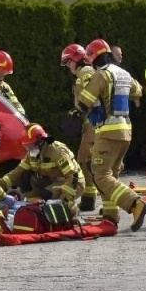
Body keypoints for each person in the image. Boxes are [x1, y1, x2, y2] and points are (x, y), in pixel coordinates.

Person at [74, 39, 146, 231]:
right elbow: (138, 90)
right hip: (125, 130)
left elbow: (84, 103)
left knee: (100, 174)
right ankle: (110, 215)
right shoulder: (123, 73)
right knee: (111, 174)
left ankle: (135, 204)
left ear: (93, 57)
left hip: (108, 132)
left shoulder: (101, 75)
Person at [8, 124, 85, 211]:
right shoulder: (33, 154)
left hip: (72, 183)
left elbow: (73, 175)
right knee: (25, 176)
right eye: (27, 147)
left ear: (41, 141)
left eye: (31, 146)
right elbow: (17, 172)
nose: (29, 150)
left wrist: (65, 198)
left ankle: (71, 208)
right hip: (51, 181)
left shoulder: (57, 151)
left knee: (48, 195)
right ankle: (35, 208)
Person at [61, 43, 99, 212]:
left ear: (77, 59)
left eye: (68, 62)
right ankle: (89, 199)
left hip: (93, 123)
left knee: (93, 163)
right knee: (83, 161)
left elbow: (93, 96)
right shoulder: (82, 73)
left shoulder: (86, 72)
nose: (67, 66)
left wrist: (82, 109)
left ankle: (108, 201)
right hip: (87, 123)